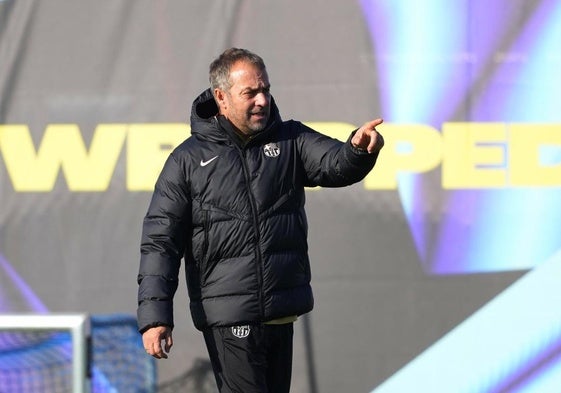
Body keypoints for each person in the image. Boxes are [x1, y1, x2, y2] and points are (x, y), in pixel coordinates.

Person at [137, 47, 384, 393]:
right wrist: (155, 317)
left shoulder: (290, 139)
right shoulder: (187, 161)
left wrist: (358, 149)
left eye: (265, 89)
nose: (262, 100)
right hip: (230, 316)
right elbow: (160, 242)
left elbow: (335, 164)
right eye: (250, 92)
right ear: (221, 97)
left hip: (280, 312)